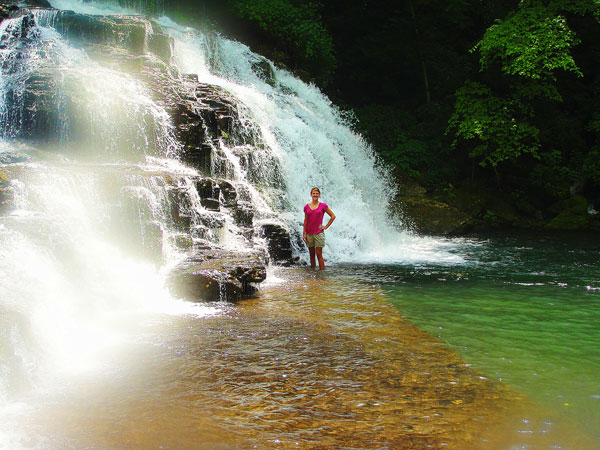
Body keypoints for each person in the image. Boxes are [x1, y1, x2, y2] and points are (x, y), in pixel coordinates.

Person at [303, 187, 335, 270]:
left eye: (317, 193)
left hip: (318, 233)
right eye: (313, 193)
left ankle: (321, 274)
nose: (315, 195)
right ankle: (313, 272)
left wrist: (325, 226)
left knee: (319, 254)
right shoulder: (307, 207)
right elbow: (306, 221)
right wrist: (304, 233)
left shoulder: (323, 206)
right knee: (311, 254)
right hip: (309, 233)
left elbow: (333, 216)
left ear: (319, 195)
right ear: (311, 194)